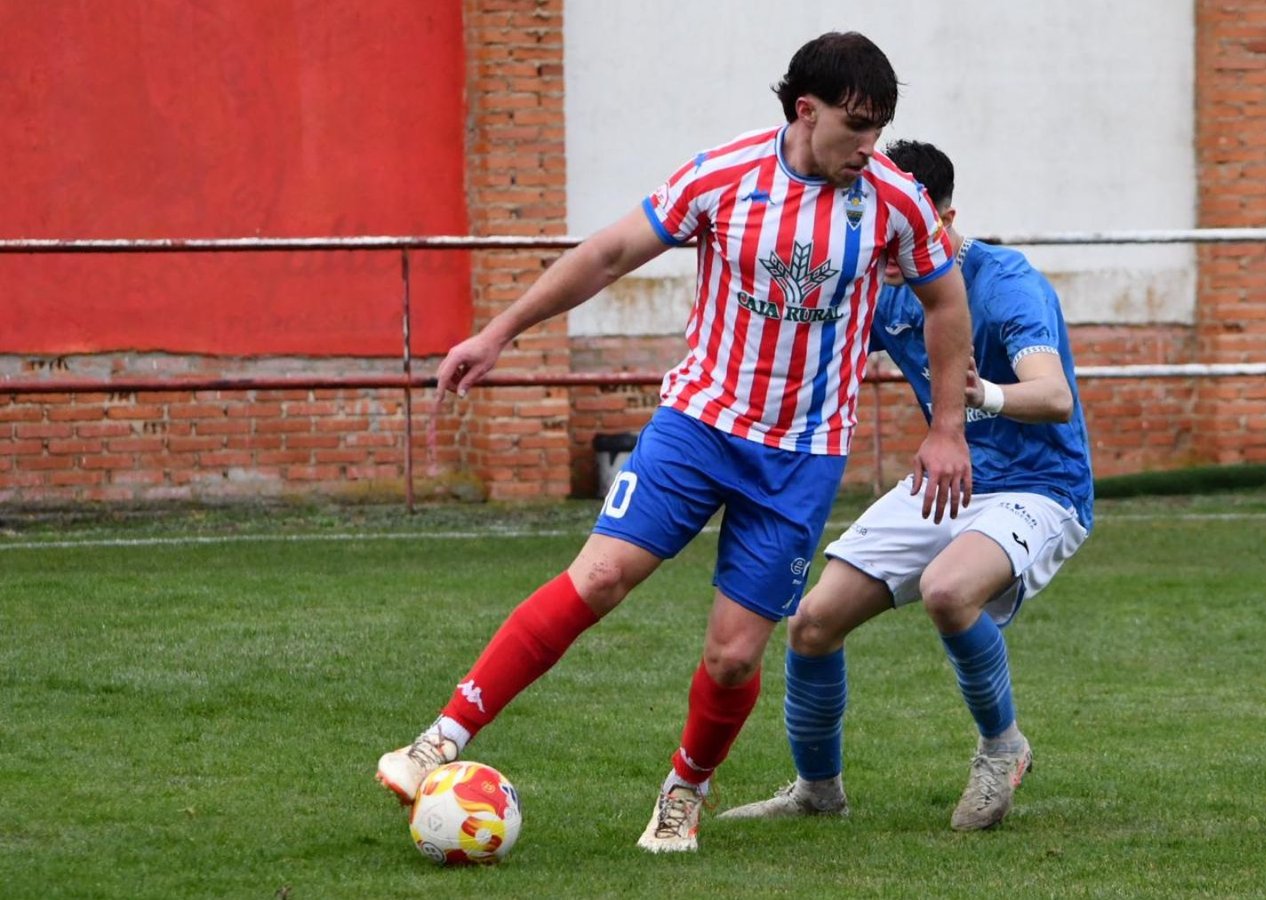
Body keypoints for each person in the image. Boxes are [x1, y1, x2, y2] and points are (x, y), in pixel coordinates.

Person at [375, 34, 975, 854]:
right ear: (806, 110)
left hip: (800, 459)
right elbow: (611, 253)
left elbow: (946, 303)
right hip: (696, 427)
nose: (869, 146)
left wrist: (945, 429)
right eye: (855, 125)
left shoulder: (895, 202)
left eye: (880, 128)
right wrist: (500, 332)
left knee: (732, 658)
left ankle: (683, 793)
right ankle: (439, 739)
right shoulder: (723, 174)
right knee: (600, 578)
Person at [719, 140, 1094, 831]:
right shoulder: (889, 286)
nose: (894, 243)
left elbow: (1055, 397)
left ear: (946, 216)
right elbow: (814, 349)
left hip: (1041, 487)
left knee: (947, 592)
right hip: (949, 478)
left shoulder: (1004, 283)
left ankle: (1002, 748)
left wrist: (979, 395)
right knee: (811, 624)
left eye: (911, 224)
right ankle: (817, 793)